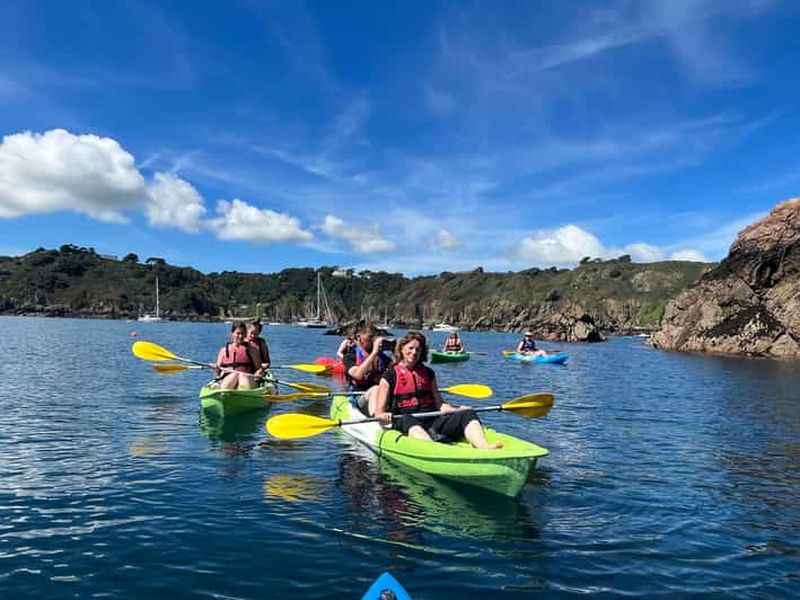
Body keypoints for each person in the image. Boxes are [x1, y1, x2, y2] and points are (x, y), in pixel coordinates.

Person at [374, 331, 502, 449]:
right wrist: (384, 415)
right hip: (405, 420)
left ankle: (484, 446)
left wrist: (458, 410)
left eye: (418, 350)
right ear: (402, 349)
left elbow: (440, 405)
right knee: (408, 419)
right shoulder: (389, 376)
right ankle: (432, 449)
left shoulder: (429, 373)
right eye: (410, 348)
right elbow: (379, 412)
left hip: (432, 420)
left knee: (467, 414)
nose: (414, 352)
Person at [343, 320, 392, 416]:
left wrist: (396, 352)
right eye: (370, 337)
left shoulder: (383, 358)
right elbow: (358, 375)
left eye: (375, 337)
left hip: (381, 397)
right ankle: (376, 417)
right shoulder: (350, 356)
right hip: (359, 398)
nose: (373, 341)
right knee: (375, 389)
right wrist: (374, 353)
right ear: (359, 337)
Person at [214, 321, 264, 389]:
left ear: (245, 334)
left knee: (242, 377)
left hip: (247, 378)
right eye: (238, 333)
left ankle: (245, 394)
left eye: (242, 334)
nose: (240, 336)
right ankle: (224, 392)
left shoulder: (252, 350)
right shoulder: (223, 351)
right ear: (232, 333)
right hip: (228, 379)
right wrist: (215, 368)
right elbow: (217, 372)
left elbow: (259, 369)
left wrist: (258, 374)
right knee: (234, 375)